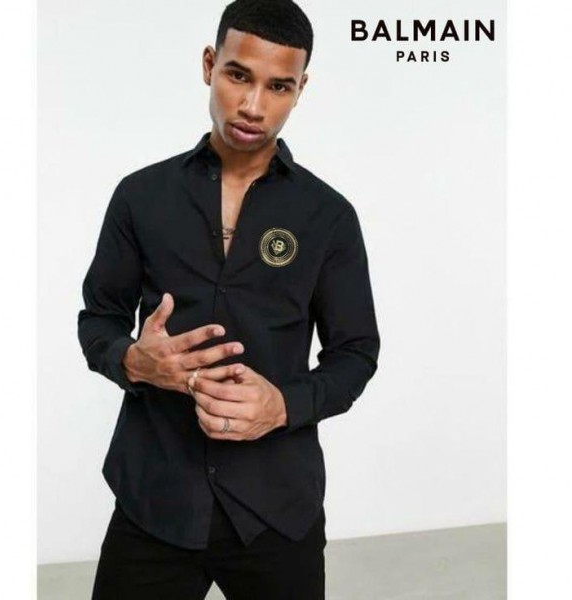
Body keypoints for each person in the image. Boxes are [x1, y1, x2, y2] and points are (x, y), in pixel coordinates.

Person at [77, 0, 380, 598]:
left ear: (300, 90)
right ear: (209, 65)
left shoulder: (328, 217)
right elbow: (99, 320)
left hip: (277, 508)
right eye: (239, 75)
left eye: (278, 86)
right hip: (154, 501)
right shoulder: (140, 196)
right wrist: (133, 360)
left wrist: (282, 405)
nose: (253, 105)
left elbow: (356, 353)